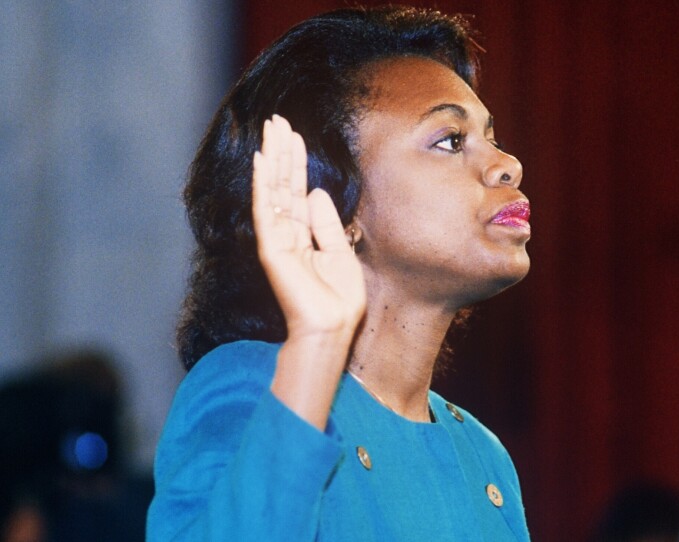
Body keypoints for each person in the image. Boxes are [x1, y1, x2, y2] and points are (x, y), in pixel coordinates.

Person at [146, 5, 531, 541]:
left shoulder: (483, 457)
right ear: (337, 208)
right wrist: (318, 347)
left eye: (491, 136)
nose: (506, 163)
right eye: (450, 140)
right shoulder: (256, 385)